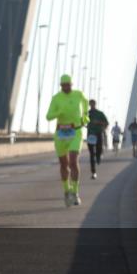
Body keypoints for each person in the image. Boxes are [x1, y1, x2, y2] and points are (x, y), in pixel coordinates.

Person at [46, 74, 89, 207]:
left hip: (75, 131)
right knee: (63, 165)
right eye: (63, 85)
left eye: (68, 85)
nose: (66, 87)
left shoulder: (78, 94)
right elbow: (48, 116)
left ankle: (75, 193)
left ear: (72, 84)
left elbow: (86, 102)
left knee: (73, 161)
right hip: (60, 134)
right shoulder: (56, 98)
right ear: (60, 86)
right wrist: (58, 112)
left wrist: (85, 116)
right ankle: (67, 191)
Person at [85, 99, 109, 179]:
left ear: (95, 104)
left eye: (93, 104)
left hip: (98, 133)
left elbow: (106, 123)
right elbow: (83, 121)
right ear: (89, 104)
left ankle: (98, 156)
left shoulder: (100, 113)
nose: (91, 105)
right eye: (90, 104)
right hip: (90, 134)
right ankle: (93, 172)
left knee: (99, 149)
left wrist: (99, 123)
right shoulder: (87, 113)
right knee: (91, 154)